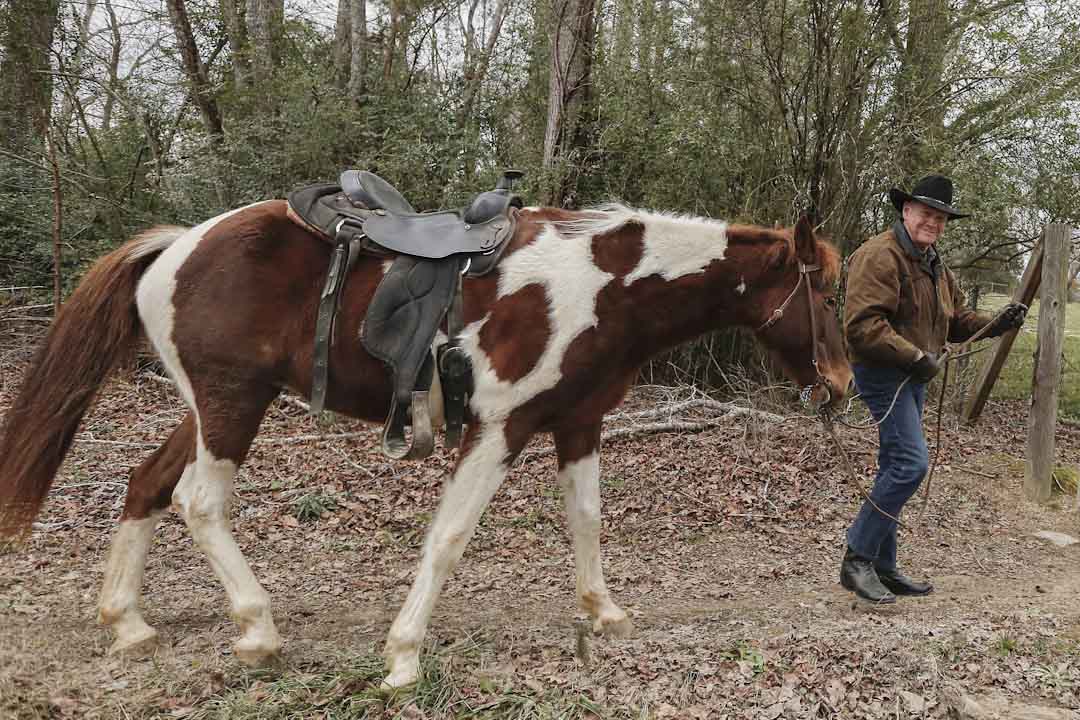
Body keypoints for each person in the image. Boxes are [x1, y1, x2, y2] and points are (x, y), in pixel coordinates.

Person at [840, 174, 1027, 603]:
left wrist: (995, 324)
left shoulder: (932, 261)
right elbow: (863, 327)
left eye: (941, 218)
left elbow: (955, 318)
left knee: (895, 466)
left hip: (913, 373)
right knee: (910, 464)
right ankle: (857, 559)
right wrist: (916, 358)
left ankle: (884, 568)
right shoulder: (879, 256)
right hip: (885, 373)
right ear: (905, 211)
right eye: (927, 213)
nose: (934, 223)